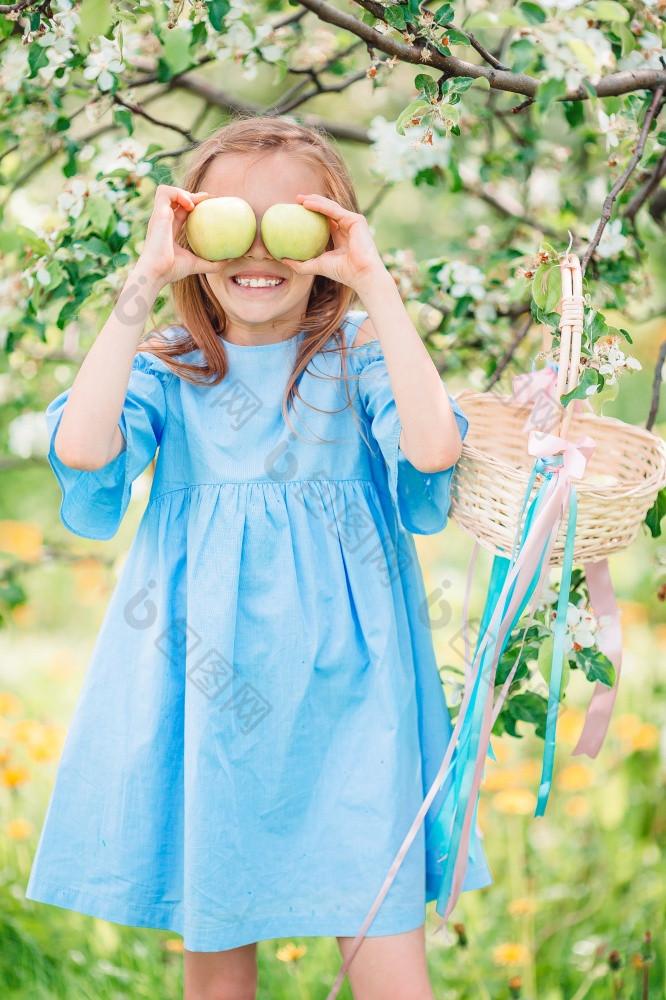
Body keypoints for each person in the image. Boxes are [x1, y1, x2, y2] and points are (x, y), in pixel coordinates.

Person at [25, 115, 493, 1000]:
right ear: (196, 232)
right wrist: (146, 276)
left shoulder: (355, 357)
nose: (260, 249)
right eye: (232, 219)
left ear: (329, 237)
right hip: (210, 693)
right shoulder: (174, 364)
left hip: (356, 695)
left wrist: (374, 281)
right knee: (220, 943)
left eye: (293, 224)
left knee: (390, 957)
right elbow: (86, 450)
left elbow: (433, 451)